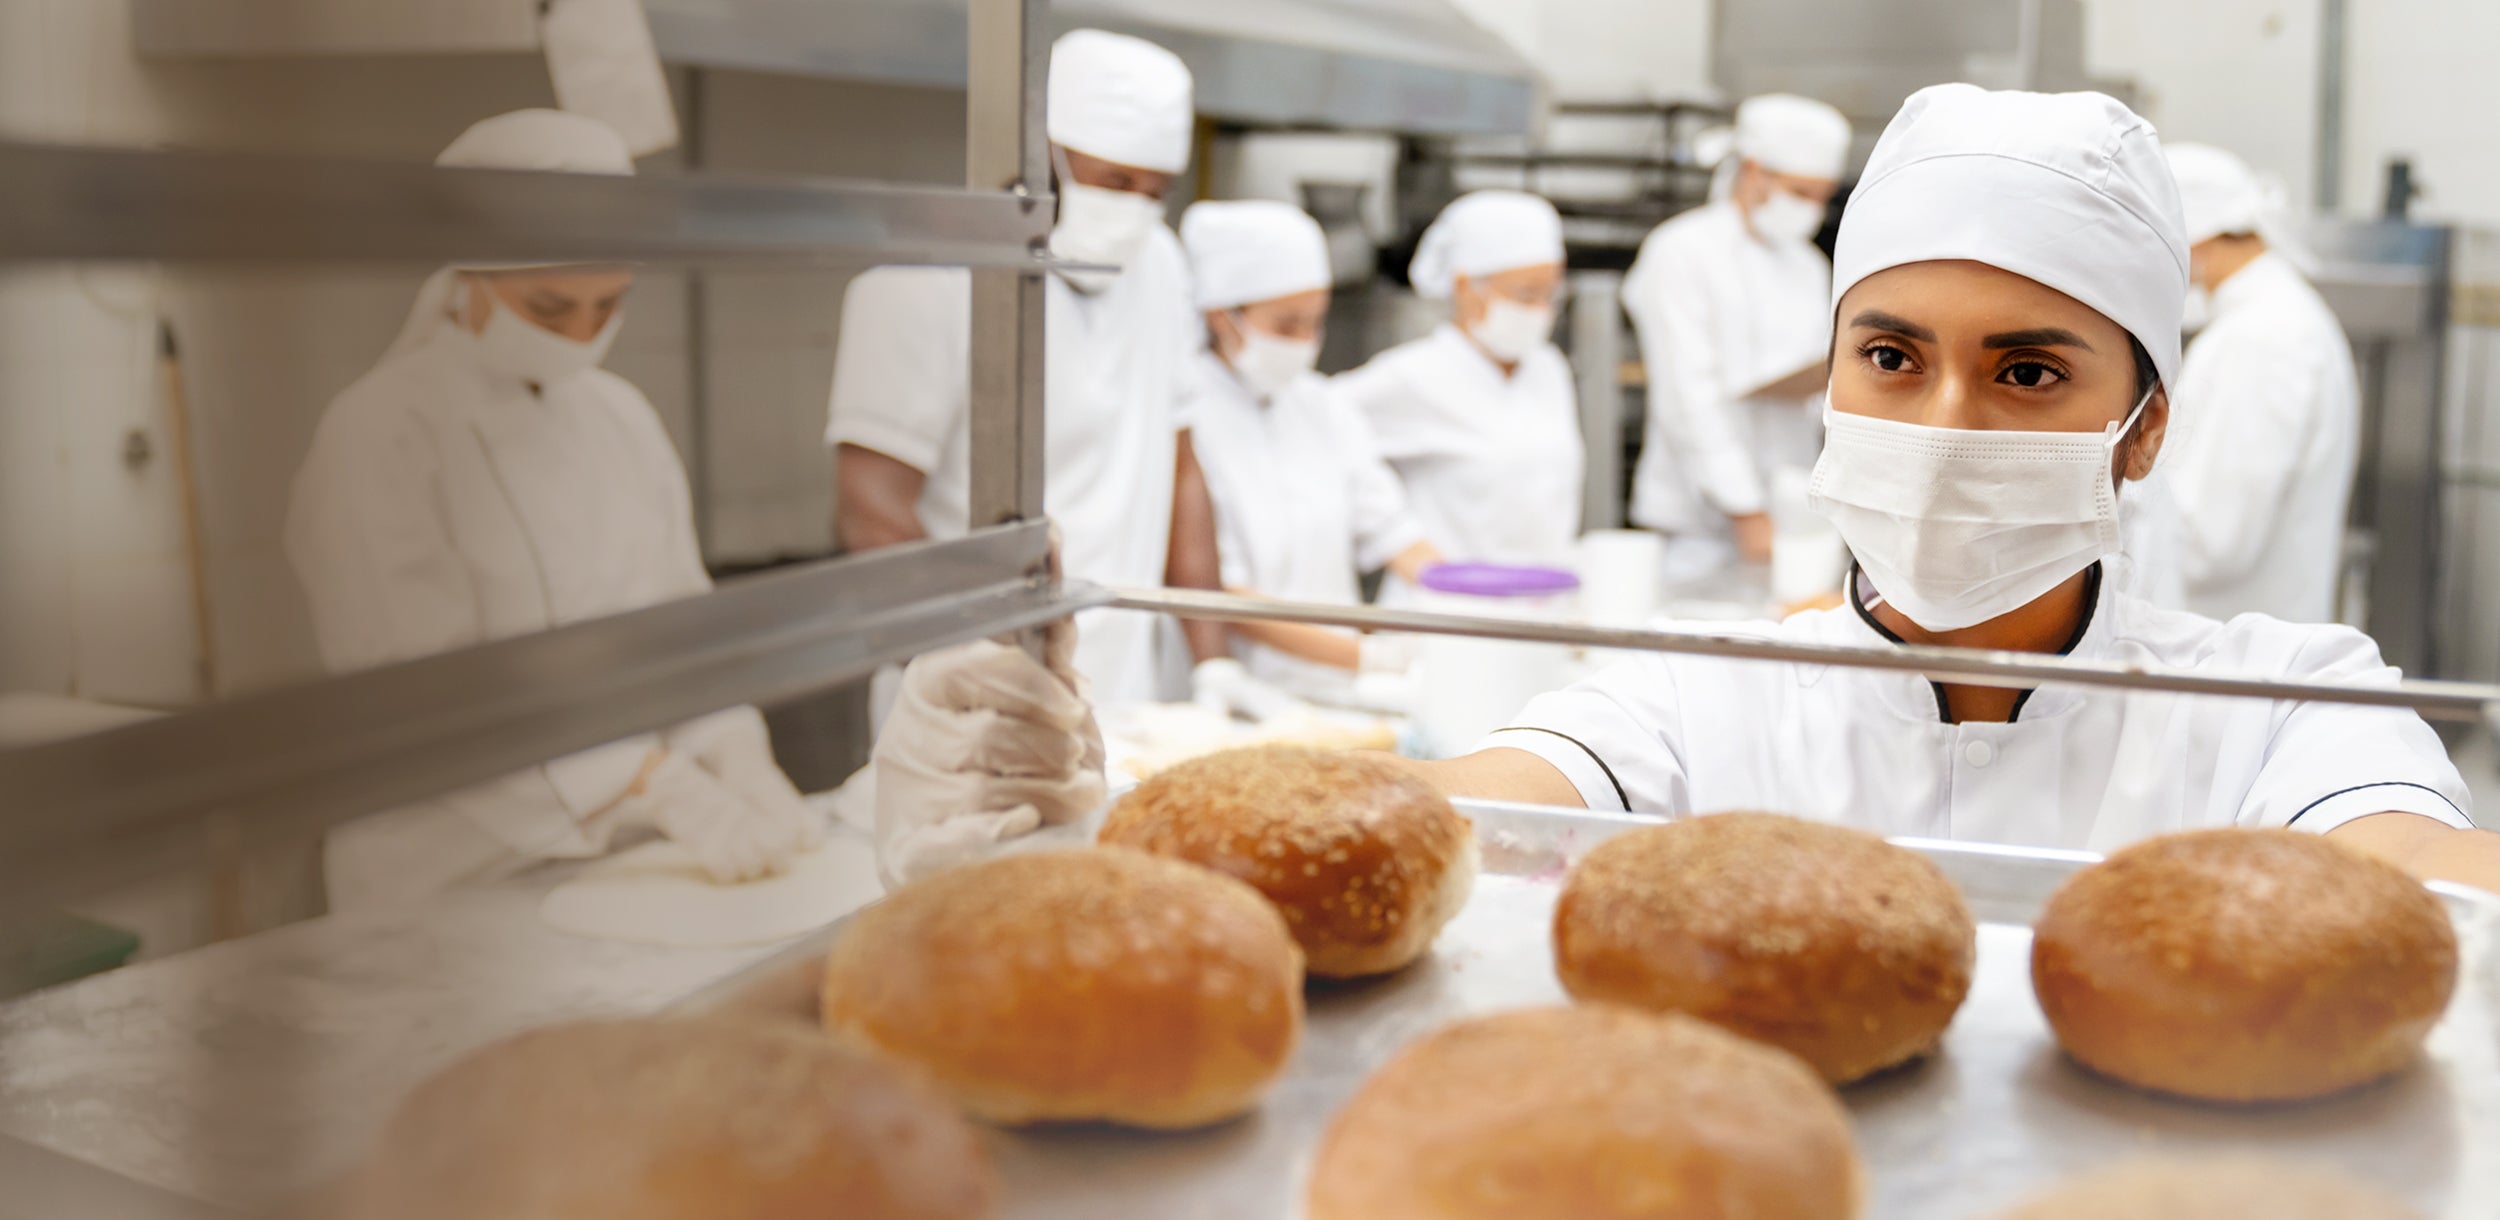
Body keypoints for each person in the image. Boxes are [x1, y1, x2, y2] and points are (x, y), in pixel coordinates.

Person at [867, 84, 2500, 897]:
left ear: (2140, 430)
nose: (1942, 420)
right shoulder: (1703, 695)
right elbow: (1416, 833)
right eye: (1891, 355)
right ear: (1833, 376)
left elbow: (2440, 888)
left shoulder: (2287, 704)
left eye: (2027, 372)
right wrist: (1085, 855)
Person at [286, 110, 820, 911]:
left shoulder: (619, 416)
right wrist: (648, 782)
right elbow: (425, 702)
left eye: (608, 306)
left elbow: (681, 630)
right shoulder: (380, 434)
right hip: (443, 882)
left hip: (623, 860)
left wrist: (734, 753)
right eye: (548, 307)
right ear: (468, 277)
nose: (581, 334)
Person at [826, 28, 1198, 707]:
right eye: (1115, 181)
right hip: (967, 704)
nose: (1136, 209)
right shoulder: (924, 282)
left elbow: (1183, 469)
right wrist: (986, 673)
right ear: (1043, 152)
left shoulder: (1161, 266)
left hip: (1126, 697)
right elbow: (873, 515)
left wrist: (1215, 664)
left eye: (1157, 191)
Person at [1164, 200, 1442, 705]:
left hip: (1338, 691)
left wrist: (1463, 600)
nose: (1305, 342)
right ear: (1222, 315)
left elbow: (1392, 530)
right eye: (1287, 326)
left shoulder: (1321, 406)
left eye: (1315, 323)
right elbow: (1216, 588)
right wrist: (1369, 658)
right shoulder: (1186, 418)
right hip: (1234, 694)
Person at [2129, 141, 2359, 623]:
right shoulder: (2281, 320)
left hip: (2232, 647)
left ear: (2192, 232)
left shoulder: (2259, 339)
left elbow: (2212, 541)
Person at [1623, 94, 1853, 570]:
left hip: (1789, 505)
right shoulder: (1682, 251)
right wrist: (1743, 506)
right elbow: (1688, 394)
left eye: (1822, 196)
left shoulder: (1808, 266)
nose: (1811, 208)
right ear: (1753, 172)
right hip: (1697, 522)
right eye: (1800, 192)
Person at [1332, 190, 1583, 589]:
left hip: (1539, 606)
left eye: (1550, 294)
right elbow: (1315, 428)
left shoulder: (1547, 369)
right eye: (1526, 294)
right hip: (1445, 610)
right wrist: (1394, 535)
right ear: (1466, 287)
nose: (1541, 310)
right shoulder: (1416, 376)